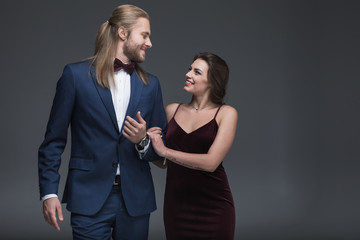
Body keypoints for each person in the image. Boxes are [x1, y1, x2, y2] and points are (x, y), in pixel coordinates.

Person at [38, 4, 167, 239]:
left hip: (136, 199)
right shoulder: (75, 76)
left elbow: (161, 150)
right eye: (145, 35)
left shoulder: (152, 85)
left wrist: (142, 142)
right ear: (123, 33)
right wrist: (49, 193)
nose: (149, 43)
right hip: (88, 194)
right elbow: (53, 141)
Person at [147, 52, 237, 239]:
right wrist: (143, 141)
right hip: (177, 205)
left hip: (214, 206)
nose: (188, 74)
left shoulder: (226, 113)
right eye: (189, 69)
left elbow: (211, 162)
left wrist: (165, 150)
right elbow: (164, 162)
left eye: (197, 72)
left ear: (213, 81)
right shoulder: (172, 110)